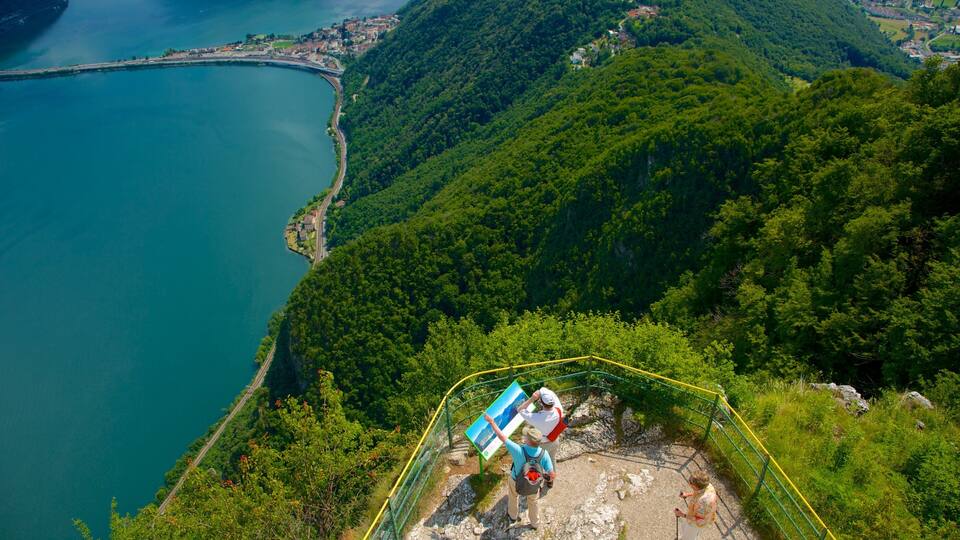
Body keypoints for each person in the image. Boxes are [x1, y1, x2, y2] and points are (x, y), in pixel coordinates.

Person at [483, 413, 555, 529]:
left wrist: (491, 422)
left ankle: (512, 516)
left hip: (516, 480)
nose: (524, 437)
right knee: (533, 502)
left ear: (528, 440)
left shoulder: (518, 450)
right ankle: (535, 523)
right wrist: (544, 478)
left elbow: (502, 437)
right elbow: (552, 475)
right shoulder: (544, 454)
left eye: (526, 436)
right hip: (534, 482)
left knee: (513, 496)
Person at [516, 386, 564, 463]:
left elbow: (520, 409)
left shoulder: (536, 418)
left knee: (538, 464)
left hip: (542, 445)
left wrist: (532, 398)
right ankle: (552, 474)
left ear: (541, 403)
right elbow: (548, 391)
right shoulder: (559, 410)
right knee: (552, 460)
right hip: (554, 440)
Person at [673, 470, 718, 540]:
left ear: (695, 486)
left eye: (691, 483)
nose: (689, 483)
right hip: (696, 515)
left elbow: (698, 519)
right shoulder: (708, 485)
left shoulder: (703, 502)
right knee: (685, 527)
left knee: (688, 537)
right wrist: (688, 494)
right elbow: (699, 492)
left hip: (696, 524)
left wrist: (681, 514)